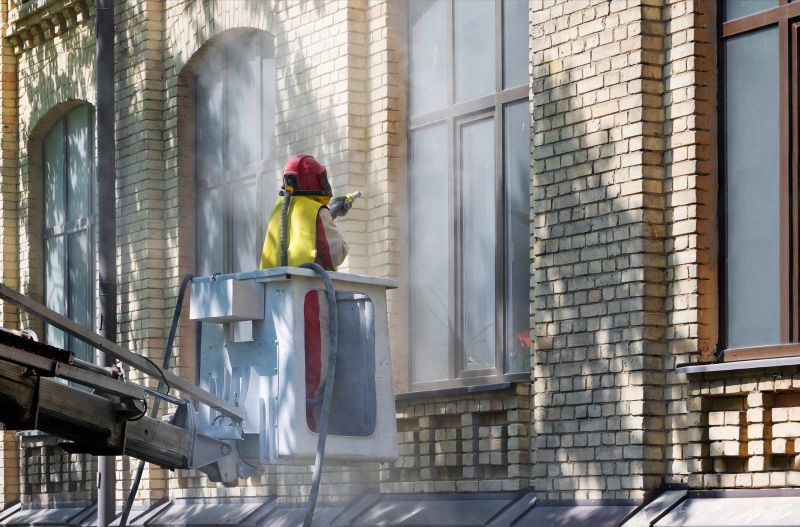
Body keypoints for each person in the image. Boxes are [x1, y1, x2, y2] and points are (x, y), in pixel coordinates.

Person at [259, 155, 349, 431]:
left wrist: (328, 215)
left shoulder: (278, 209)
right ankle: (309, 423)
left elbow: (295, 239)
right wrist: (329, 217)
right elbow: (335, 253)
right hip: (309, 296)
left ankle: (284, 419)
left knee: (284, 360)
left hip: (274, 297)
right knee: (314, 360)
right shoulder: (315, 211)